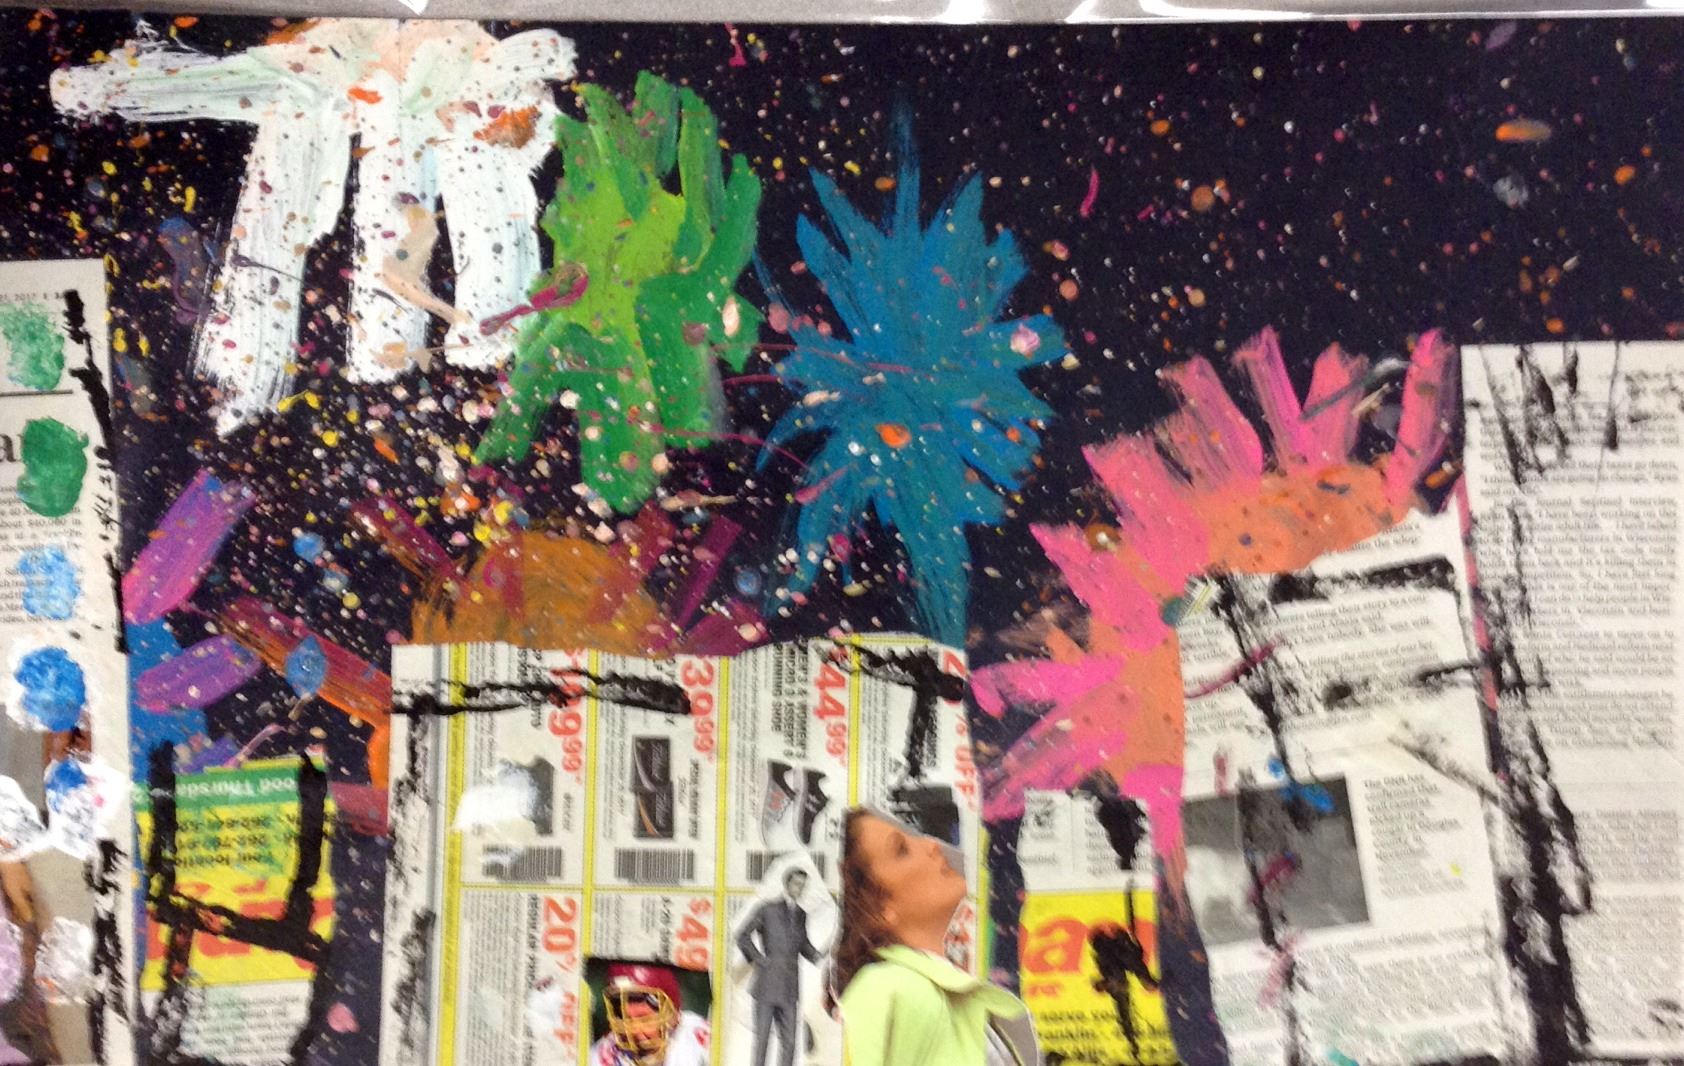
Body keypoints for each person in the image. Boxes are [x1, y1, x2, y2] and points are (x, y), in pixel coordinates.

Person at [831, 807, 1038, 1066]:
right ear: (877, 909)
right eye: (902, 850)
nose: (931, 845)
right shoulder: (889, 987)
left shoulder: (926, 988)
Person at [736, 866, 824, 1066]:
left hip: (790, 989)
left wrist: (817, 956)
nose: (800, 889)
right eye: (797, 884)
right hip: (766, 986)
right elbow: (742, 936)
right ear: (787, 883)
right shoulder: (768, 909)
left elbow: (803, 945)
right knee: (762, 1042)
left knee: (790, 1042)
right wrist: (759, 959)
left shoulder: (801, 914)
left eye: (803, 886)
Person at [591, 963, 710, 1066]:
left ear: (672, 1017)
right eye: (624, 1018)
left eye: (645, 1019)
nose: (635, 1032)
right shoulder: (602, 1057)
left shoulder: (700, 1041)